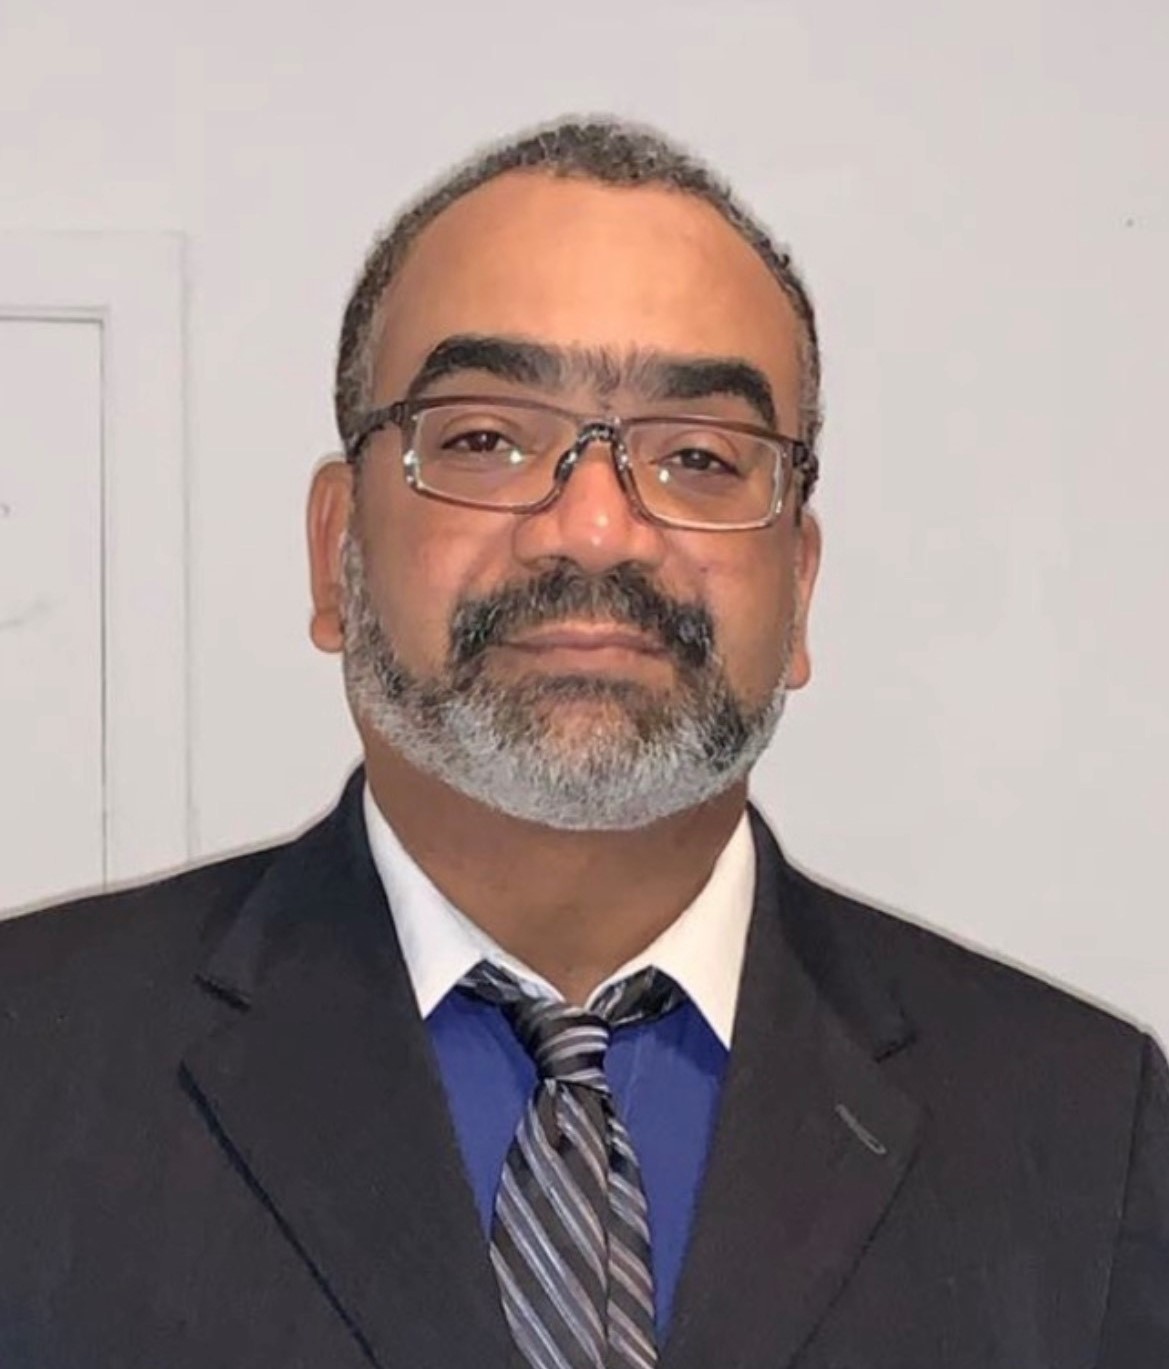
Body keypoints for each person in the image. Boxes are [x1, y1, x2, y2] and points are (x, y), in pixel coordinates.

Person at [0, 118, 1165, 1369]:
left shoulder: (1081, 1132)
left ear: (799, 586)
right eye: (485, 439)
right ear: (335, 551)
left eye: (699, 456)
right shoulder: (31, 1074)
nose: (595, 528)